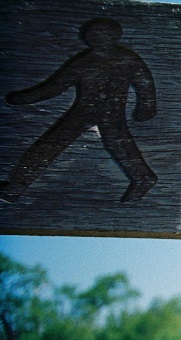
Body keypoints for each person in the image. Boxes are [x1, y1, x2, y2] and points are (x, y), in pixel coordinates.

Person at [2, 17, 158, 203]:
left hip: (108, 112)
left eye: (103, 33)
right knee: (50, 146)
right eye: (93, 34)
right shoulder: (85, 61)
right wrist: (25, 98)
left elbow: (144, 84)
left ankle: (144, 178)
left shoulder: (127, 59)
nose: (97, 38)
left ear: (115, 35)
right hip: (86, 110)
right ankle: (16, 186)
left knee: (118, 146)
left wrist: (147, 106)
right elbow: (56, 86)